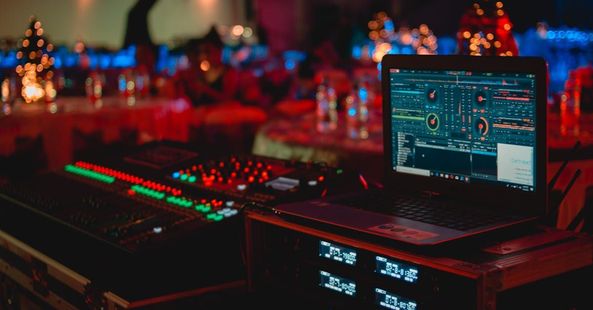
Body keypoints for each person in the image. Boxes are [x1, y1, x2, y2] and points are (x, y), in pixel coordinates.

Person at [171, 26, 239, 105]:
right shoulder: (195, 71)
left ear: (219, 51)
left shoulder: (229, 71)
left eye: (208, 51)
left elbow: (227, 99)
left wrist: (204, 88)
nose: (203, 56)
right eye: (201, 52)